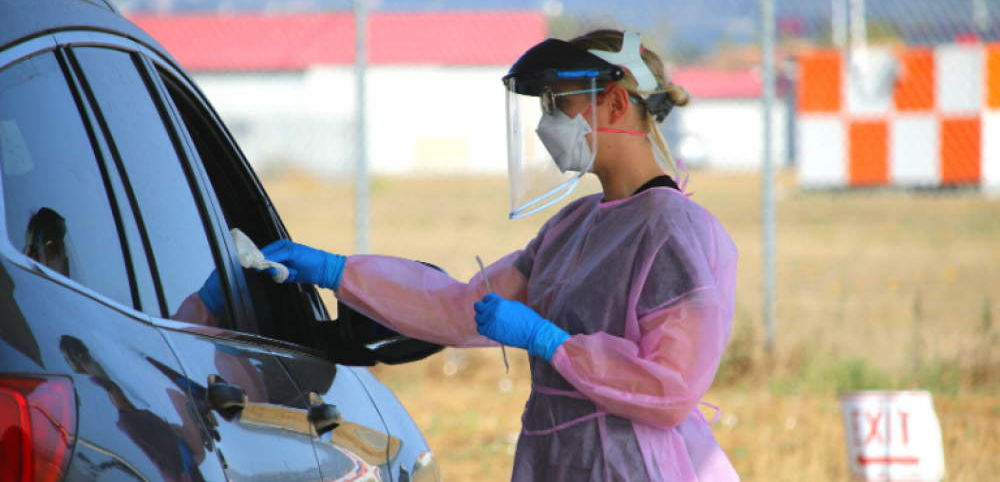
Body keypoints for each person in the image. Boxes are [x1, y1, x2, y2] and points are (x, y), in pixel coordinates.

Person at [263, 29, 739, 481]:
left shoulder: (670, 229)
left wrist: (550, 341)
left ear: (615, 102)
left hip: (630, 466)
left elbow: (670, 387)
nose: (546, 122)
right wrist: (335, 271)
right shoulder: (572, 225)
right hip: (554, 459)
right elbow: (456, 308)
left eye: (561, 104)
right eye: (545, 104)